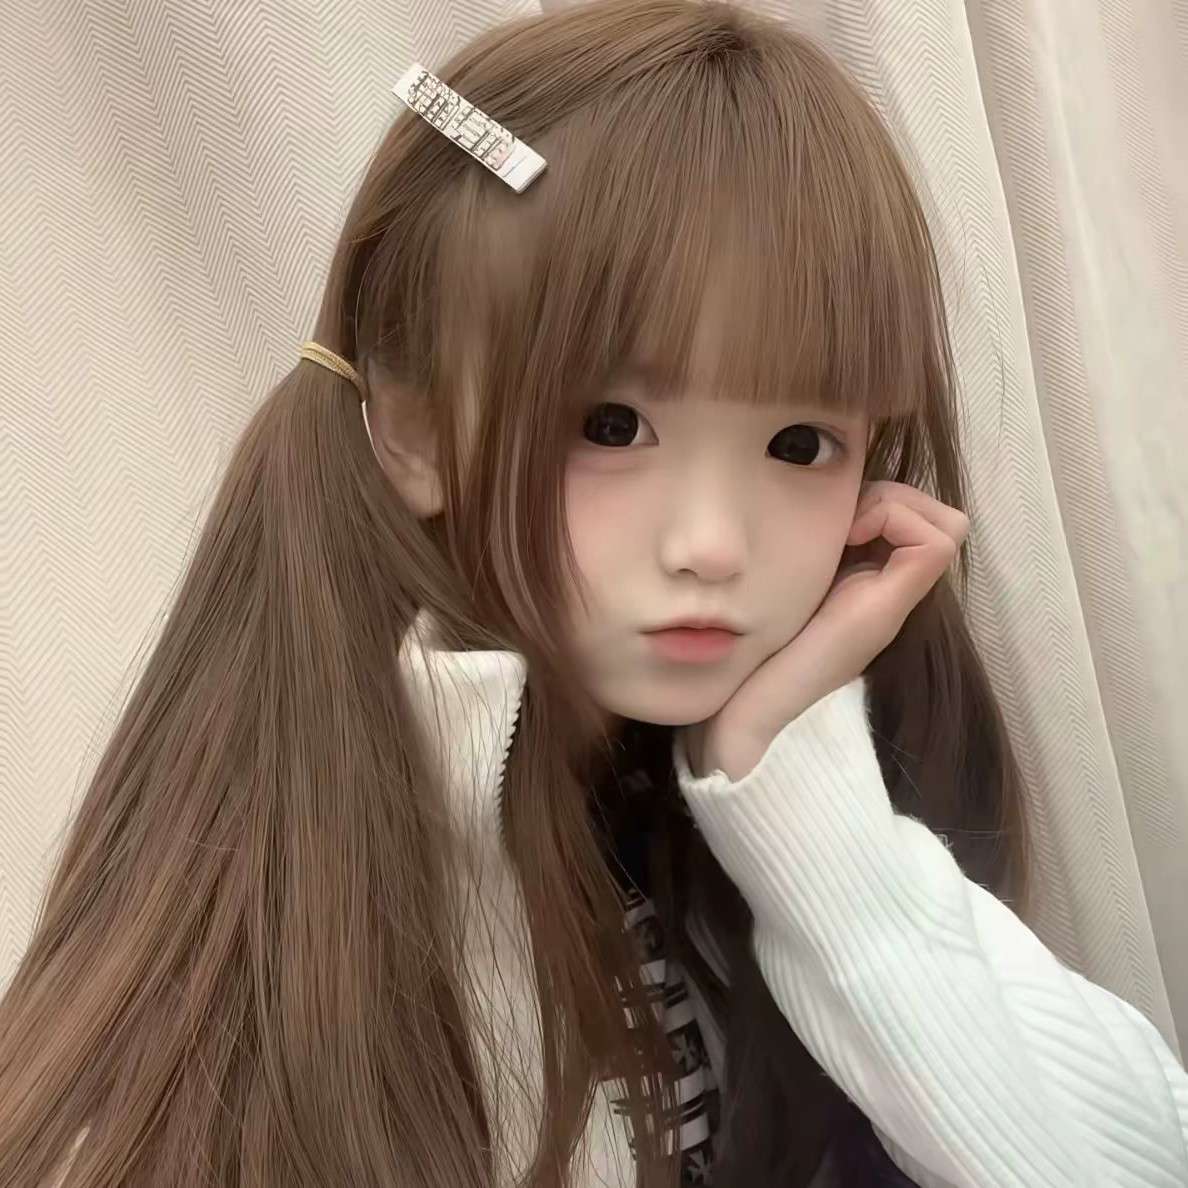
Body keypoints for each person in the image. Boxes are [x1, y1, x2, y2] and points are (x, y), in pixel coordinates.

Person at [2, 1, 1186, 1185]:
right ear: (414, 428)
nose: (713, 546)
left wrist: (792, 791)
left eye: (800, 445)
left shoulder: (718, 807)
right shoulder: (298, 904)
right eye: (612, 427)